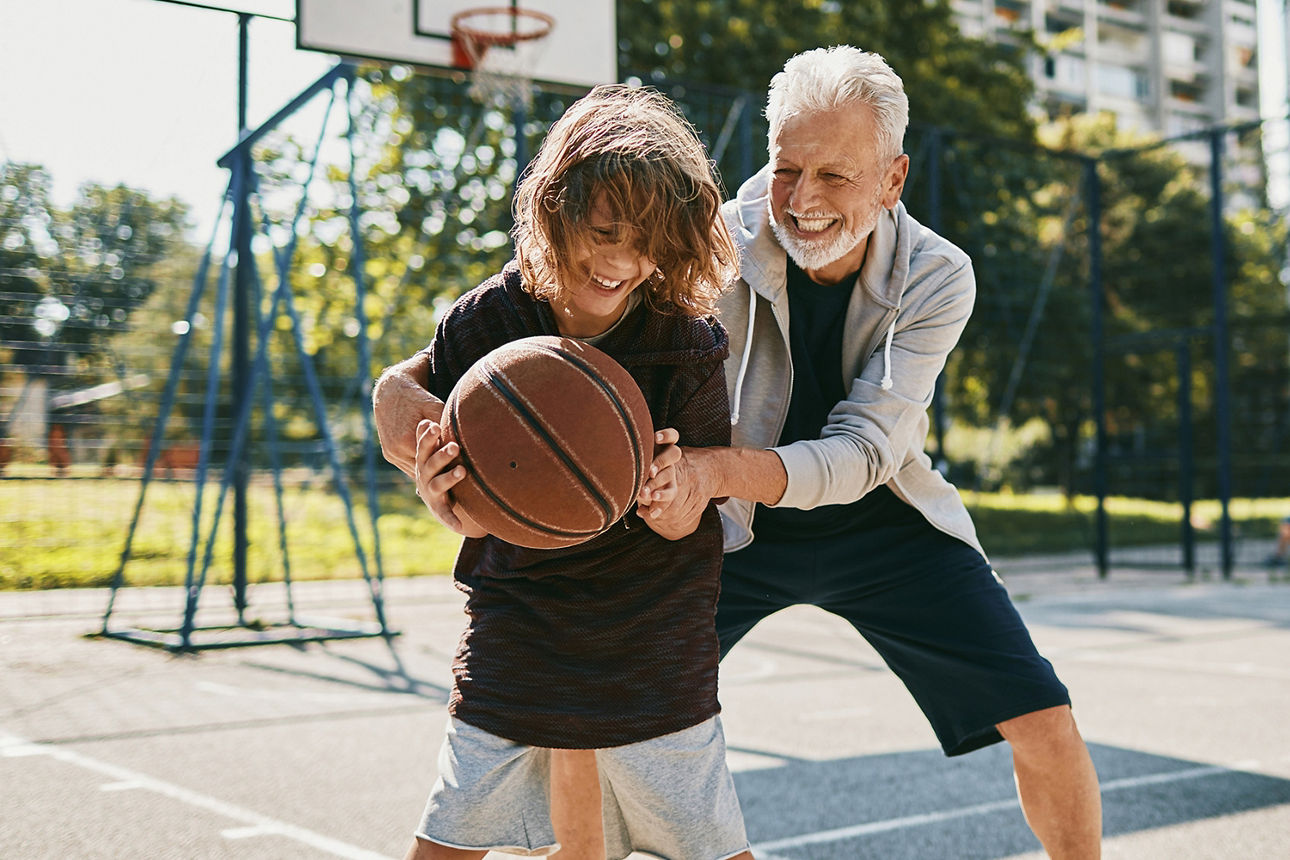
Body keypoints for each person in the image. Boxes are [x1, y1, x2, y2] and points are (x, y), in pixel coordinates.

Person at [377, 48, 1103, 859]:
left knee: (1043, 718)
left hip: (878, 523)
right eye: (789, 168)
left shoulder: (938, 276)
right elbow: (551, 307)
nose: (805, 199)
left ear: (893, 180)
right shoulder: (699, 240)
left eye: (837, 175)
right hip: (718, 527)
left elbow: (864, 451)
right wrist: (402, 392)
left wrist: (711, 471)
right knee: (588, 687)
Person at [374, 85, 753, 860]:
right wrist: (444, 483)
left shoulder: (687, 345)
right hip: (521, 622)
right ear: (555, 210)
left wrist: (676, 496)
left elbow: (697, 517)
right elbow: (433, 451)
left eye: (646, 241)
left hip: (650, 634)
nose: (620, 259)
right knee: (444, 840)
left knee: (712, 850)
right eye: (604, 229)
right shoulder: (487, 324)